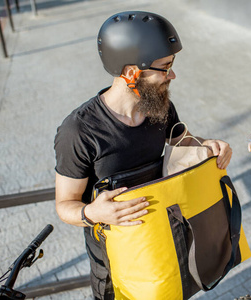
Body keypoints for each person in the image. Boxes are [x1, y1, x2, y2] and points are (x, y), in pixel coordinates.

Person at [54, 11, 232, 299]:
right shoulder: (78, 131)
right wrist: (91, 212)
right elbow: (65, 205)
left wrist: (208, 144)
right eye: (165, 67)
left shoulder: (158, 104)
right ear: (131, 73)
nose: (172, 75)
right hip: (116, 260)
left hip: (165, 240)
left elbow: (181, 140)